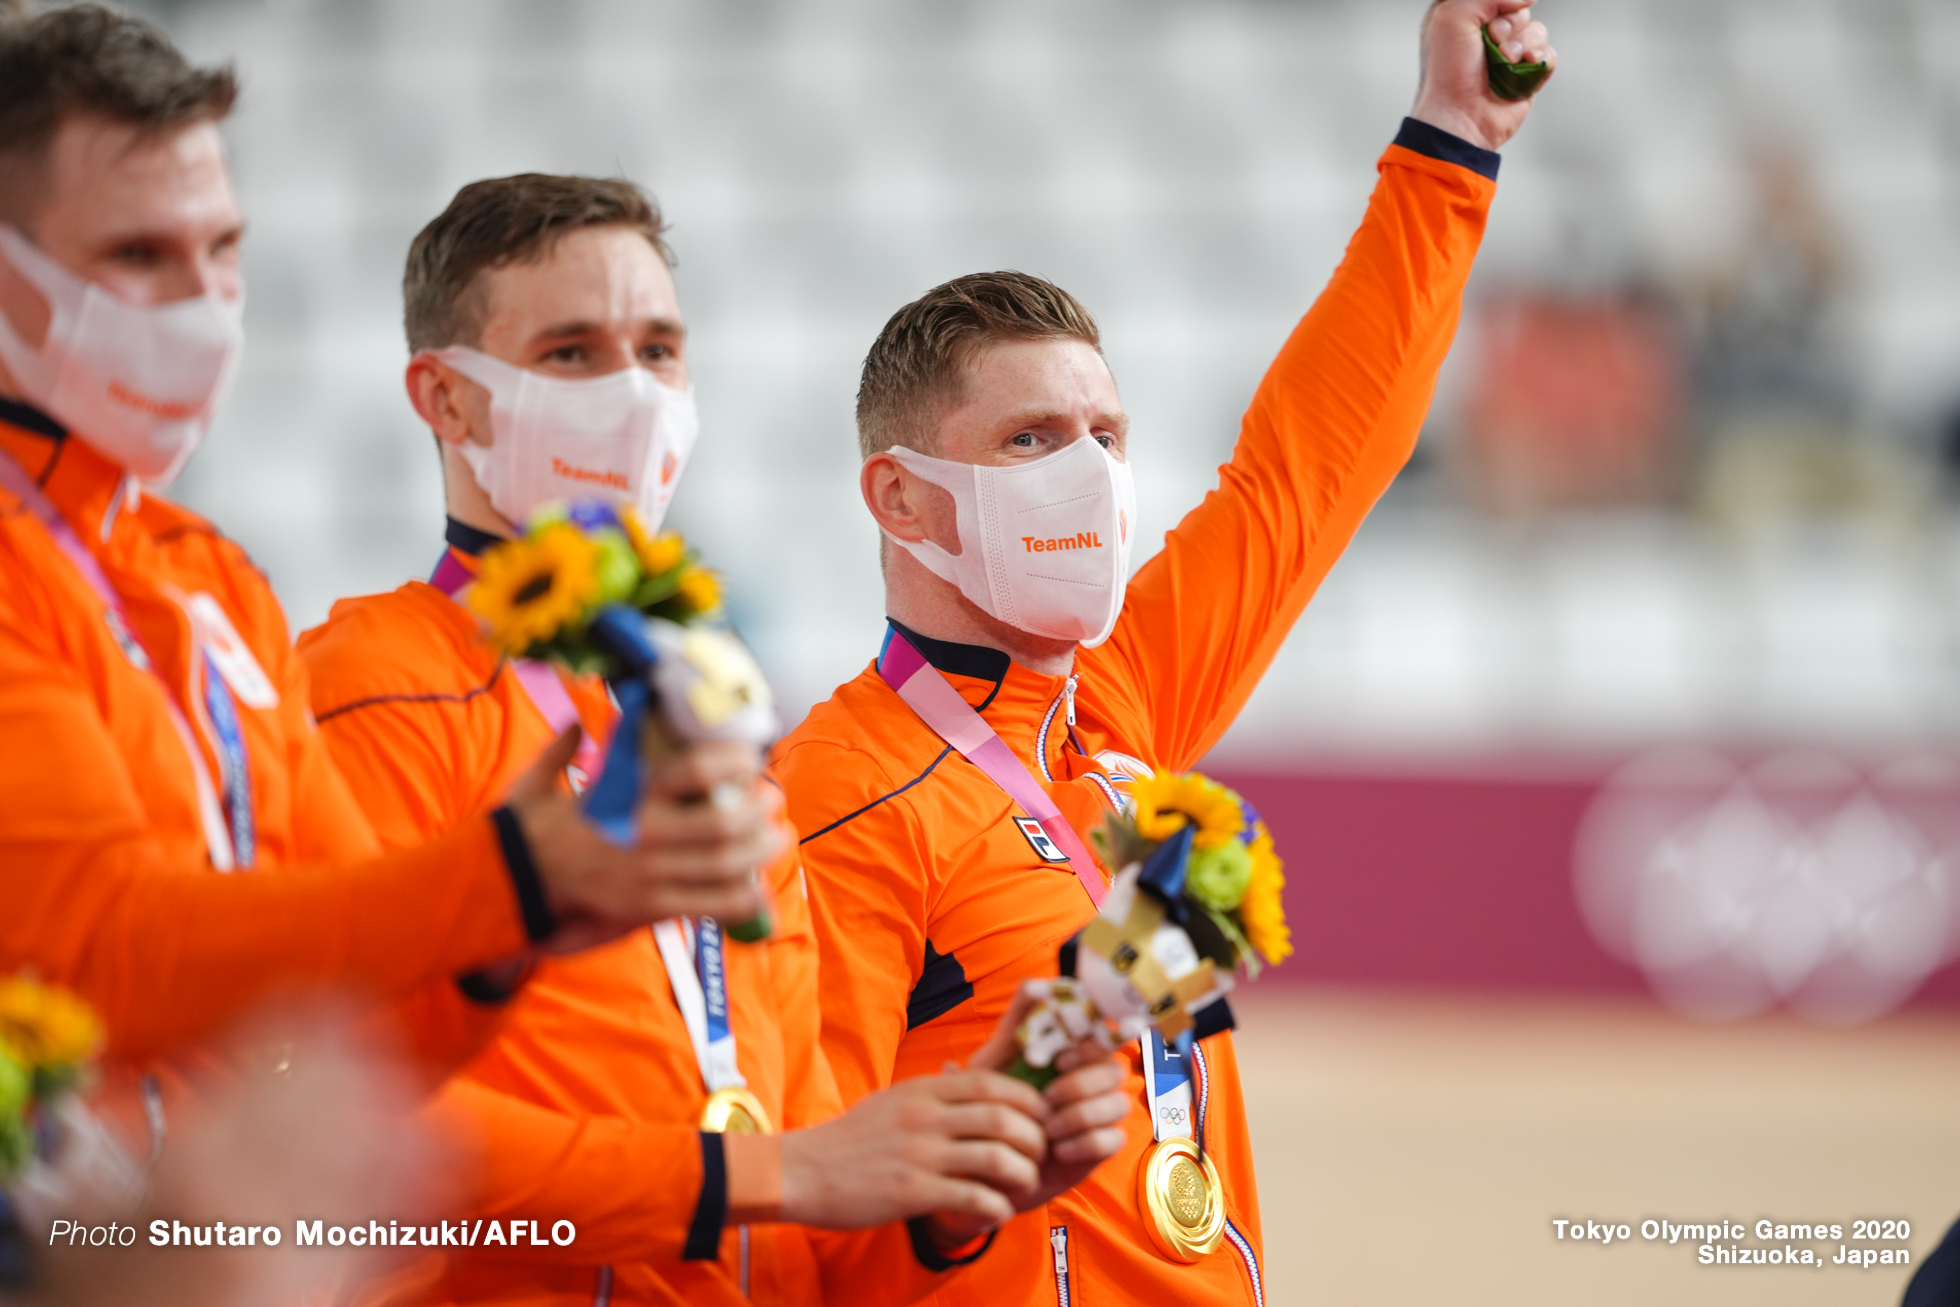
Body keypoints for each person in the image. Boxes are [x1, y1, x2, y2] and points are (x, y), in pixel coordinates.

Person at [770, 0, 1556, 1301]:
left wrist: (1454, 139)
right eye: (1031, 438)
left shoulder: (1110, 708)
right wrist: (995, 1145)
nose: (1086, 473)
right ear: (900, 499)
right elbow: (794, 1221)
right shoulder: (840, 800)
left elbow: (1309, 469)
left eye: (1107, 434)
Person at [297, 174, 1133, 1306]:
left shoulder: (708, 728)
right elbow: (331, 1132)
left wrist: (950, 1200)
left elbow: (808, 1223)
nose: (634, 394)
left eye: (659, 349)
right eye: (572, 354)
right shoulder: (372, 688)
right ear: (446, 400)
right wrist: (759, 1171)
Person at [0, 4, 774, 1165]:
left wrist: (519, 923)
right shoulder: (57, 578)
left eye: (221, 252)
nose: (205, 306)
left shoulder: (216, 588)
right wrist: (512, 875)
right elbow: (99, 950)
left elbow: (351, 1037)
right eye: (137, 256)